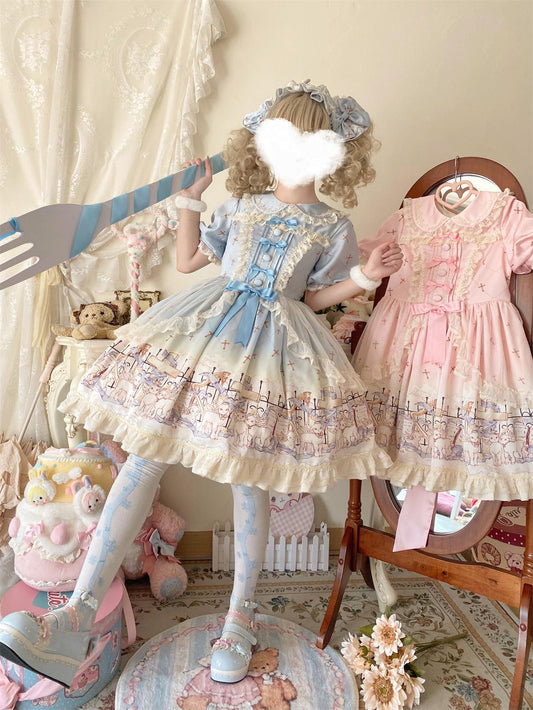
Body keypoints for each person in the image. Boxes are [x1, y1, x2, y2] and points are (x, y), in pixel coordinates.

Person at [0, 80, 402, 686]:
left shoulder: (331, 225)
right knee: (144, 458)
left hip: (272, 355)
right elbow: (189, 262)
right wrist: (191, 200)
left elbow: (315, 297)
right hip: (205, 336)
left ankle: (240, 617)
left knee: (249, 475)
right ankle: (78, 612)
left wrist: (364, 277)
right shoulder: (240, 206)